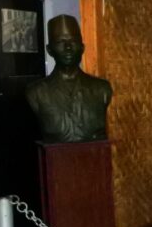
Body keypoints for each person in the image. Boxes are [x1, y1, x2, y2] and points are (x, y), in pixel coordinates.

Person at [26, 14, 112, 143]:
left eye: (73, 41)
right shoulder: (36, 92)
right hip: (56, 155)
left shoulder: (102, 89)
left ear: (82, 47)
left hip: (94, 154)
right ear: (50, 50)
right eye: (60, 42)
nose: (68, 47)